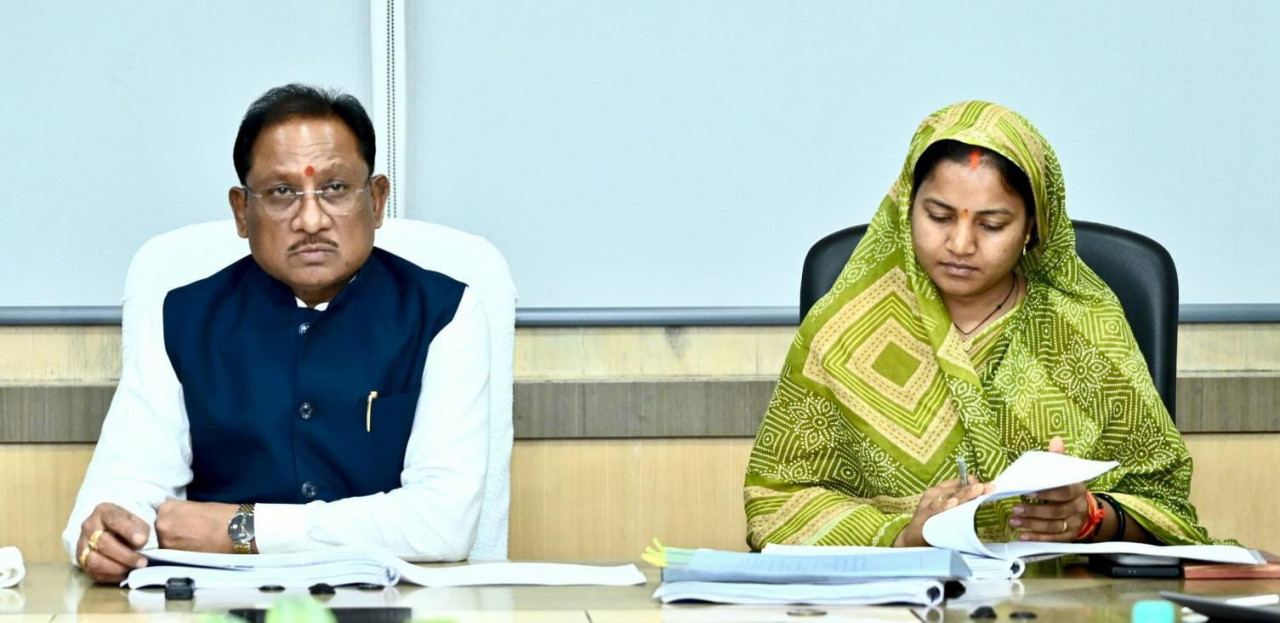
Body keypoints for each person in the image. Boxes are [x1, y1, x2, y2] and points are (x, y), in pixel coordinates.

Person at [744, 100, 1223, 550]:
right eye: (938, 216)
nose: (960, 244)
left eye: (991, 225)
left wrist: (1091, 517)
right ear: (907, 207)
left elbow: (1165, 504)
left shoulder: (1085, 329)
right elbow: (777, 503)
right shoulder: (844, 328)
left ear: (1032, 227)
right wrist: (902, 535)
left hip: (1061, 592)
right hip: (896, 593)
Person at [63, 84, 492, 583]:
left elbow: (442, 524)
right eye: (282, 193)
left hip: (393, 602)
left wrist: (243, 528)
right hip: (215, 602)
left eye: (335, 188)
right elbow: (118, 499)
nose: (311, 220)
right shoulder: (181, 319)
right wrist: (110, 535)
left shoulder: (444, 313)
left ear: (376, 201)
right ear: (241, 211)